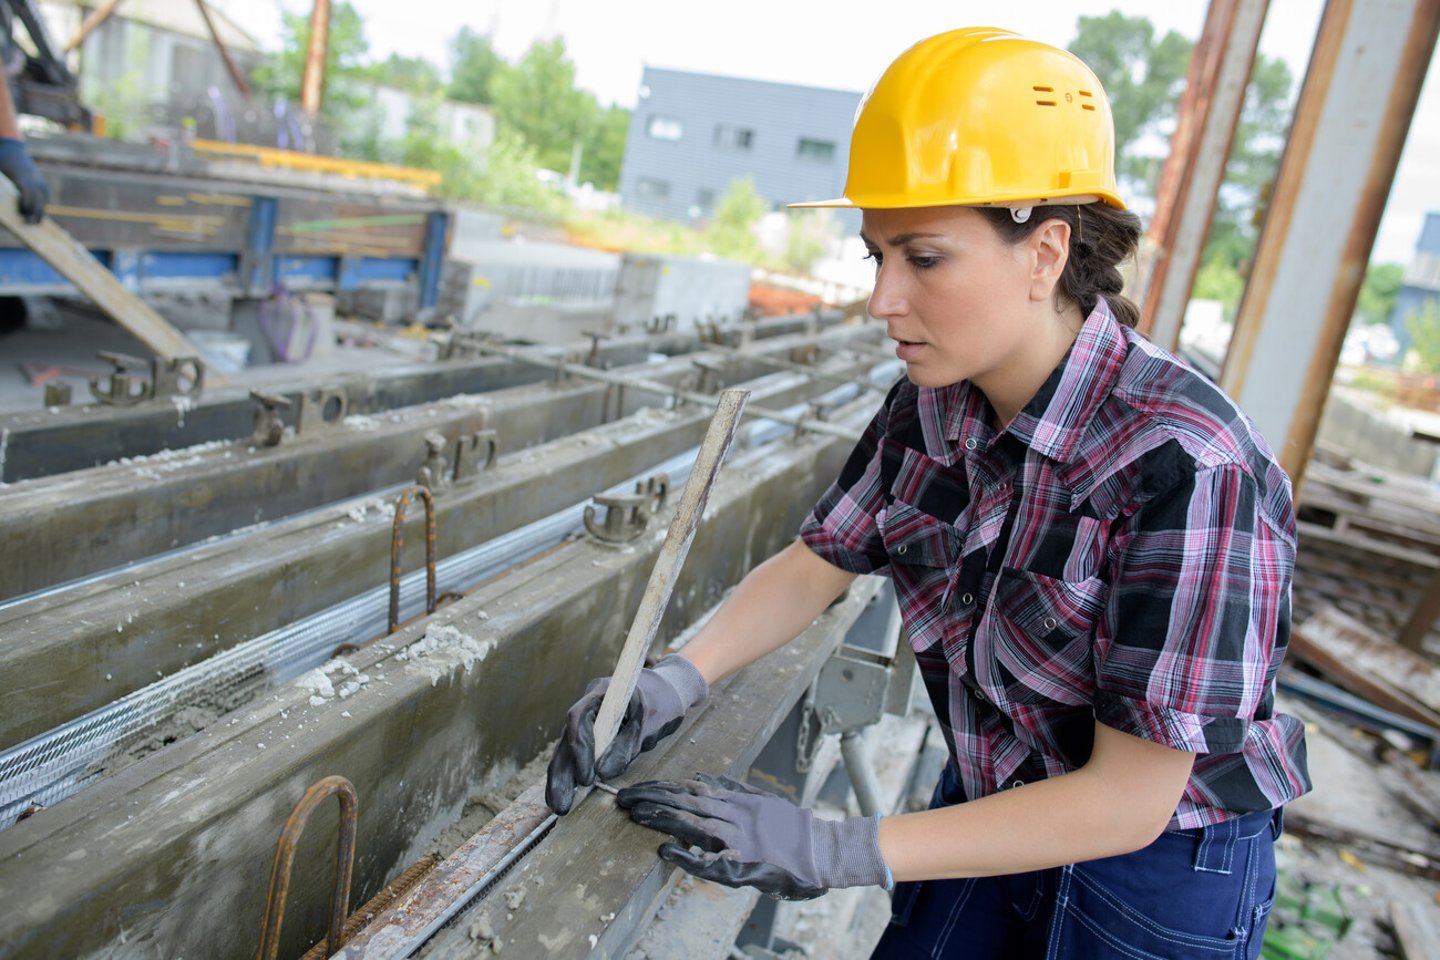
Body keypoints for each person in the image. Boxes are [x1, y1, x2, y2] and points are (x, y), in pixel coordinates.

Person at [546, 27, 1310, 958]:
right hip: (995, 796)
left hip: (1157, 860)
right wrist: (673, 679)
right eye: (877, 257)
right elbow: (819, 560)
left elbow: (1126, 799)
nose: (882, 300)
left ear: (1045, 254)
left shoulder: (1188, 466)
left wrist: (838, 845)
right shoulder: (932, 404)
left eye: (926, 258)